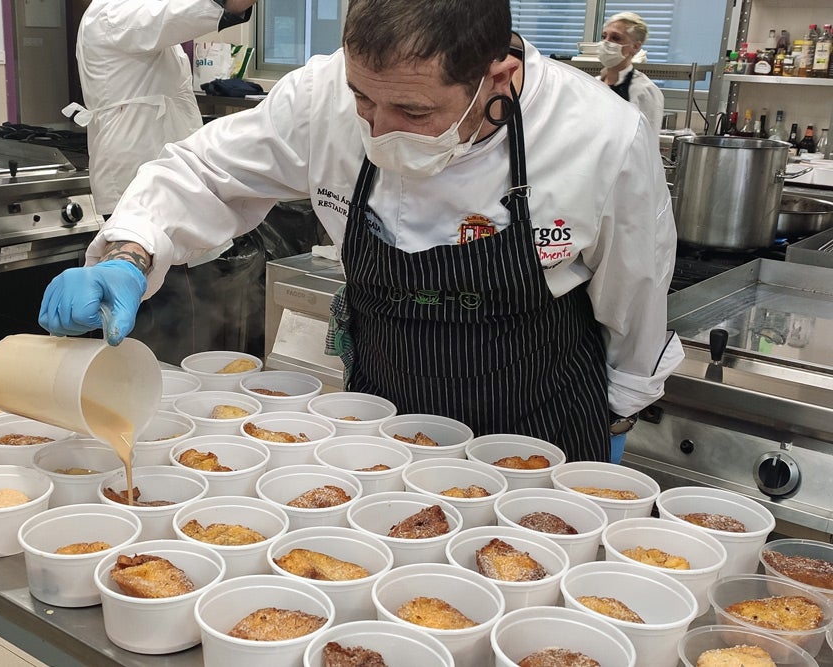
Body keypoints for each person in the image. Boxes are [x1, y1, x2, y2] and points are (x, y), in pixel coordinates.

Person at [40, 0, 683, 463]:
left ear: (499, 76)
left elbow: (636, 287)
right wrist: (128, 253)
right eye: (363, 100)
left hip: (538, 421)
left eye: (413, 110)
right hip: (381, 418)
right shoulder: (319, 96)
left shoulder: (601, 135)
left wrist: (619, 410)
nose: (377, 129)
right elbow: (204, 171)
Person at [72, 0, 255, 216]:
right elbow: (214, 8)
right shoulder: (116, 13)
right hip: (138, 170)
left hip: (155, 167)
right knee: (142, 245)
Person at [596, 11, 665, 133]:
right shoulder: (594, 83)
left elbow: (647, 142)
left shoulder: (644, 91)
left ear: (635, 46)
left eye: (615, 38)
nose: (606, 42)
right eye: (604, 36)